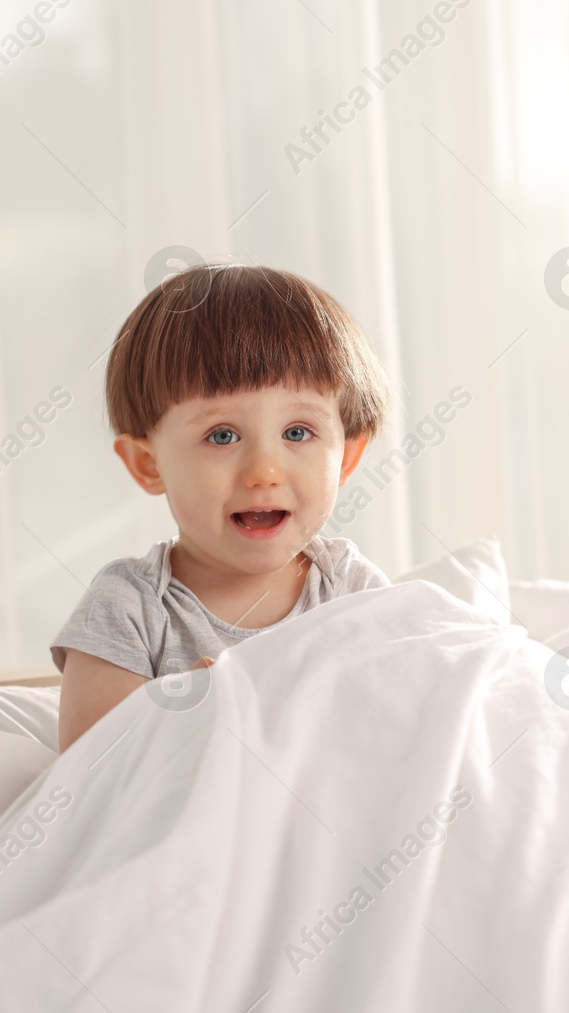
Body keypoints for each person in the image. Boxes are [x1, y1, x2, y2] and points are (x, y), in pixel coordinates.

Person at [54, 264, 392, 751]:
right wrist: (182, 715)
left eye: (298, 433)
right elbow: (90, 773)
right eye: (222, 436)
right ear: (149, 464)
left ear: (348, 458)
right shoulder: (129, 609)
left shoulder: (351, 592)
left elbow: (402, 722)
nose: (264, 470)